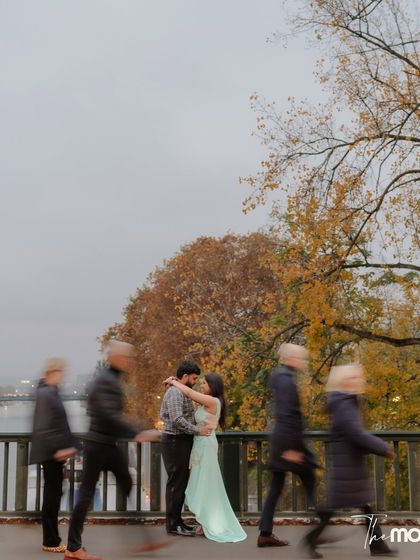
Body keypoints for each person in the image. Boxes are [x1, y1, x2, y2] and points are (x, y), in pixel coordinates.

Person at [64, 341, 166, 560]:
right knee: (87, 495)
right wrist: (136, 431)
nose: (129, 361)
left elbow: (101, 413)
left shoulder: (105, 380)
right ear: (114, 358)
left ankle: (143, 541)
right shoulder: (107, 381)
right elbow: (110, 415)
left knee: (123, 486)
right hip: (101, 446)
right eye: (126, 357)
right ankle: (73, 547)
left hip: (104, 444)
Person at [302, 364, 397, 558]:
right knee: (339, 507)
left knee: (363, 506)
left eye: (357, 377)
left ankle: (378, 546)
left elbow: (354, 434)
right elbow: (356, 433)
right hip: (348, 466)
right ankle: (312, 538)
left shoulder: (345, 402)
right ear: (343, 382)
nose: (357, 381)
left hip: (349, 463)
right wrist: (382, 447)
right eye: (352, 378)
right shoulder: (344, 404)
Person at [163, 372, 247, 543]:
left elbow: (190, 394)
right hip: (199, 444)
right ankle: (205, 520)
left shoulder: (213, 401)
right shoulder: (207, 402)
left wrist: (174, 381)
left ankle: (210, 522)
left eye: (204, 384)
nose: (201, 385)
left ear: (213, 386)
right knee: (200, 483)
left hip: (206, 445)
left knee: (206, 483)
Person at [258, 343, 319, 548]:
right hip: (289, 444)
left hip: (282, 442)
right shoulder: (285, 381)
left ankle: (265, 533)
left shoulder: (282, 378)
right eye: (301, 358)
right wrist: (291, 449)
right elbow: (287, 415)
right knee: (310, 480)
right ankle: (322, 527)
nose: (304, 362)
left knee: (276, 487)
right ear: (290, 358)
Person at [30, 357, 77, 554]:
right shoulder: (46, 394)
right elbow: (46, 426)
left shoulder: (48, 392)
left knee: (54, 493)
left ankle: (51, 539)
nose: (62, 376)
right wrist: (61, 448)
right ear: (52, 373)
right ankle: (50, 541)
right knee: (52, 495)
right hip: (51, 453)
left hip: (51, 452)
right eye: (60, 372)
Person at [159, 360, 211, 537]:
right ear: (185, 376)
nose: (195, 381)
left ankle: (177, 521)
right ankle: (173, 525)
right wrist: (198, 430)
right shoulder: (175, 393)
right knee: (176, 483)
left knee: (180, 483)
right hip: (174, 441)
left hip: (180, 441)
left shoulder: (181, 390)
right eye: (194, 378)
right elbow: (177, 420)